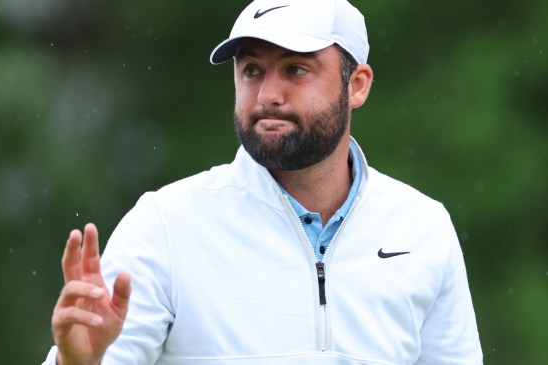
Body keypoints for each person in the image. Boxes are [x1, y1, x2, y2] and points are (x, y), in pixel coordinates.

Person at [43, 0, 483, 364]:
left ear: (358, 85)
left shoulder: (423, 228)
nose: (268, 94)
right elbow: (92, 353)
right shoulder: (165, 226)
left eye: (295, 70)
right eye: (252, 70)